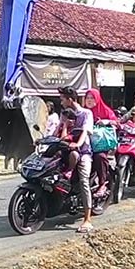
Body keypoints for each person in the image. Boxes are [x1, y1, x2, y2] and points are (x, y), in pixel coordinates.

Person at [56, 86, 95, 233]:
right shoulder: (65, 113)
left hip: (84, 152)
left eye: (62, 99)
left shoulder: (86, 113)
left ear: (70, 99)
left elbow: (85, 132)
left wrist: (77, 144)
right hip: (66, 149)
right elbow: (59, 131)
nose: (61, 102)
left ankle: (87, 219)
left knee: (84, 180)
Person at [83, 88, 117, 198]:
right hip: (84, 143)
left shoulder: (105, 111)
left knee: (100, 157)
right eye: (87, 98)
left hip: (99, 145)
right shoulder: (83, 112)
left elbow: (117, 123)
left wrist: (106, 122)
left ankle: (102, 184)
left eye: (92, 98)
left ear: (97, 99)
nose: (89, 100)